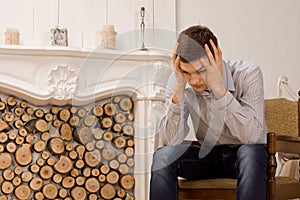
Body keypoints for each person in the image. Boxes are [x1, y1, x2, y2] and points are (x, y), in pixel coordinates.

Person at [150, 25, 268, 200]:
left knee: (250, 152)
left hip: (245, 156)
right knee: (163, 156)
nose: (194, 81)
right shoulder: (180, 80)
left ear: (215, 58)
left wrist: (219, 89)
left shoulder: (248, 74)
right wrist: (180, 89)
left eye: (201, 71)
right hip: (207, 156)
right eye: (187, 73)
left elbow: (253, 138)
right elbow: (169, 142)